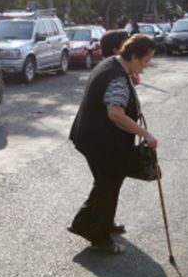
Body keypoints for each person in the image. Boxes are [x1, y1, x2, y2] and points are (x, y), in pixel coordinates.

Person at [67, 34, 158, 254]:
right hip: (101, 142)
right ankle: (100, 238)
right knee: (108, 185)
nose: (146, 67)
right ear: (134, 56)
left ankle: (91, 223)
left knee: (105, 183)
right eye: (145, 61)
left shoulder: (112, 64)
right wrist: (145, 134)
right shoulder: (117, 77)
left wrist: (130, 77)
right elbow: (115, 114)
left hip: (90, 137)